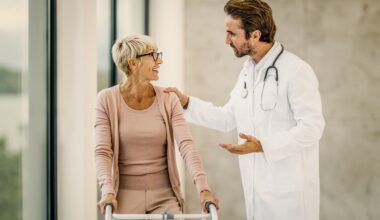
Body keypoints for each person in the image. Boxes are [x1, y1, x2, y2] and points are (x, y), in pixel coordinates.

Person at [164, 0, 325, 220]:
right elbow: (228, 118)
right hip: (256, 193)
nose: (226, 40)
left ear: (255, 35)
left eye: (232, 33)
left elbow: (312, 128)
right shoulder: (248, 71)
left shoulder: (296, 71)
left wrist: (262, 146)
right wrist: (186, 103)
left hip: (290, 197)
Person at [94, 35, 219, 216]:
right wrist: (107, 191)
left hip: (165, 197)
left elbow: (186, 146)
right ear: (133, 63)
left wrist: (203, 189)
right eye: (153, 55)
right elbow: (103, 151)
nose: (159, 60)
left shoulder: (168, 99)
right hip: (124, 197)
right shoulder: (106, 99)